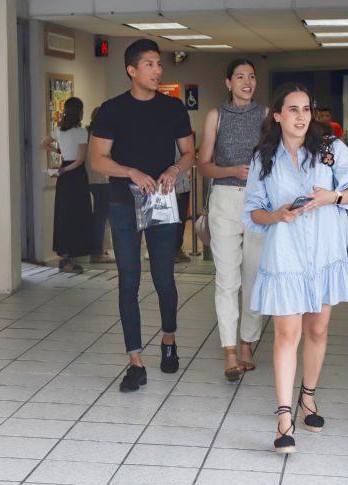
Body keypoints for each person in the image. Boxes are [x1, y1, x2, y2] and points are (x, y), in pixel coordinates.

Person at [243, 83, 348, 453]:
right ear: (277, 115)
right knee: (287, 334)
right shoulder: (263, 158)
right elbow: (252, 210)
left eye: (306, 109)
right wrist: (277, 215)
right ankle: (284, 419)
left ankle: (308, 398)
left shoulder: (332, 149)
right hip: (285, 257)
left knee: (318, 329)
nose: (301, 116)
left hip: (325, 256)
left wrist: (331, 196)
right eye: (293, 109)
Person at [90, 39, 196, 392]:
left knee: (164, 277)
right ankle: (135, 361)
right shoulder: (111, 111)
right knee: (128, 281)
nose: (157, 71)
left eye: (159, 65)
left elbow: (189, 153)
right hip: (124, 202)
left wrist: (174, 169)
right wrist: (131, 172)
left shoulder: (173, 109)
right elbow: (98, 160)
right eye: (149, 65)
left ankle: (168, 339)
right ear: (131, 70)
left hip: (163, 203)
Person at [196, 59, 266, 382]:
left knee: (253, 277)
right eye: (240, 77)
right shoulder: (216, 116)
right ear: (228, 83)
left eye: (251, 77)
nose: (247, 82)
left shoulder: (266, 116)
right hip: (224, 198)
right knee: (227, 280)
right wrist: (233, 171)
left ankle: (246, 342)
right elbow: (204, 166)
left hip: (257, 203)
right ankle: (228, 351)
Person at [39, 97, 92, 274]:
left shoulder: (59, 131)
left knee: (63, 214)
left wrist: (59, 154)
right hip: (75, 175)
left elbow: (43, 144)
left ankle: (64, 256)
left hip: (65, 174)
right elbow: (80, 159)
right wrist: (66, 169)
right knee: (77, 214)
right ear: (79, 112)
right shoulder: (81, 132)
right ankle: (72, 257)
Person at [86, 107, 115, 264]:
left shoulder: (90, 132)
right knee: (101, 218)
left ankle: (98, 249)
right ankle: (97, 252)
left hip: (93, 179)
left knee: (99, 216)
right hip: (103, 179)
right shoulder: (102, 134)